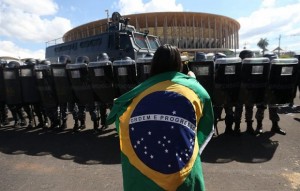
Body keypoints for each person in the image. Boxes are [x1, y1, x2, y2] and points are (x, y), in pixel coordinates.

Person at [106, 44, 214, 191]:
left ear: (154, 64)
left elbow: (123, 123)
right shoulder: (195, 90)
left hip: (145, 176)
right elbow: (205, 124)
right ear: (178, 63)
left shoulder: (138, 93)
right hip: (181, 171)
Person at [255, 53, 286, 135]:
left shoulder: (278, 69)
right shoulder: (260, 68)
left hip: (273, 91)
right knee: (260, 108)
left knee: (274, 109)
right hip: (262, 91)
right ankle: (259, 127)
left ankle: (275, 126)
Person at [234, 49, 255, 135]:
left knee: (249, 109)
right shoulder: (237, 65)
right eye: (249, 56)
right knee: (238, 110)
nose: (251, 58)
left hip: (249, 91)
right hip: (240, 91)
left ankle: (249, 127)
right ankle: (237, 127)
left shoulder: (253, 66)